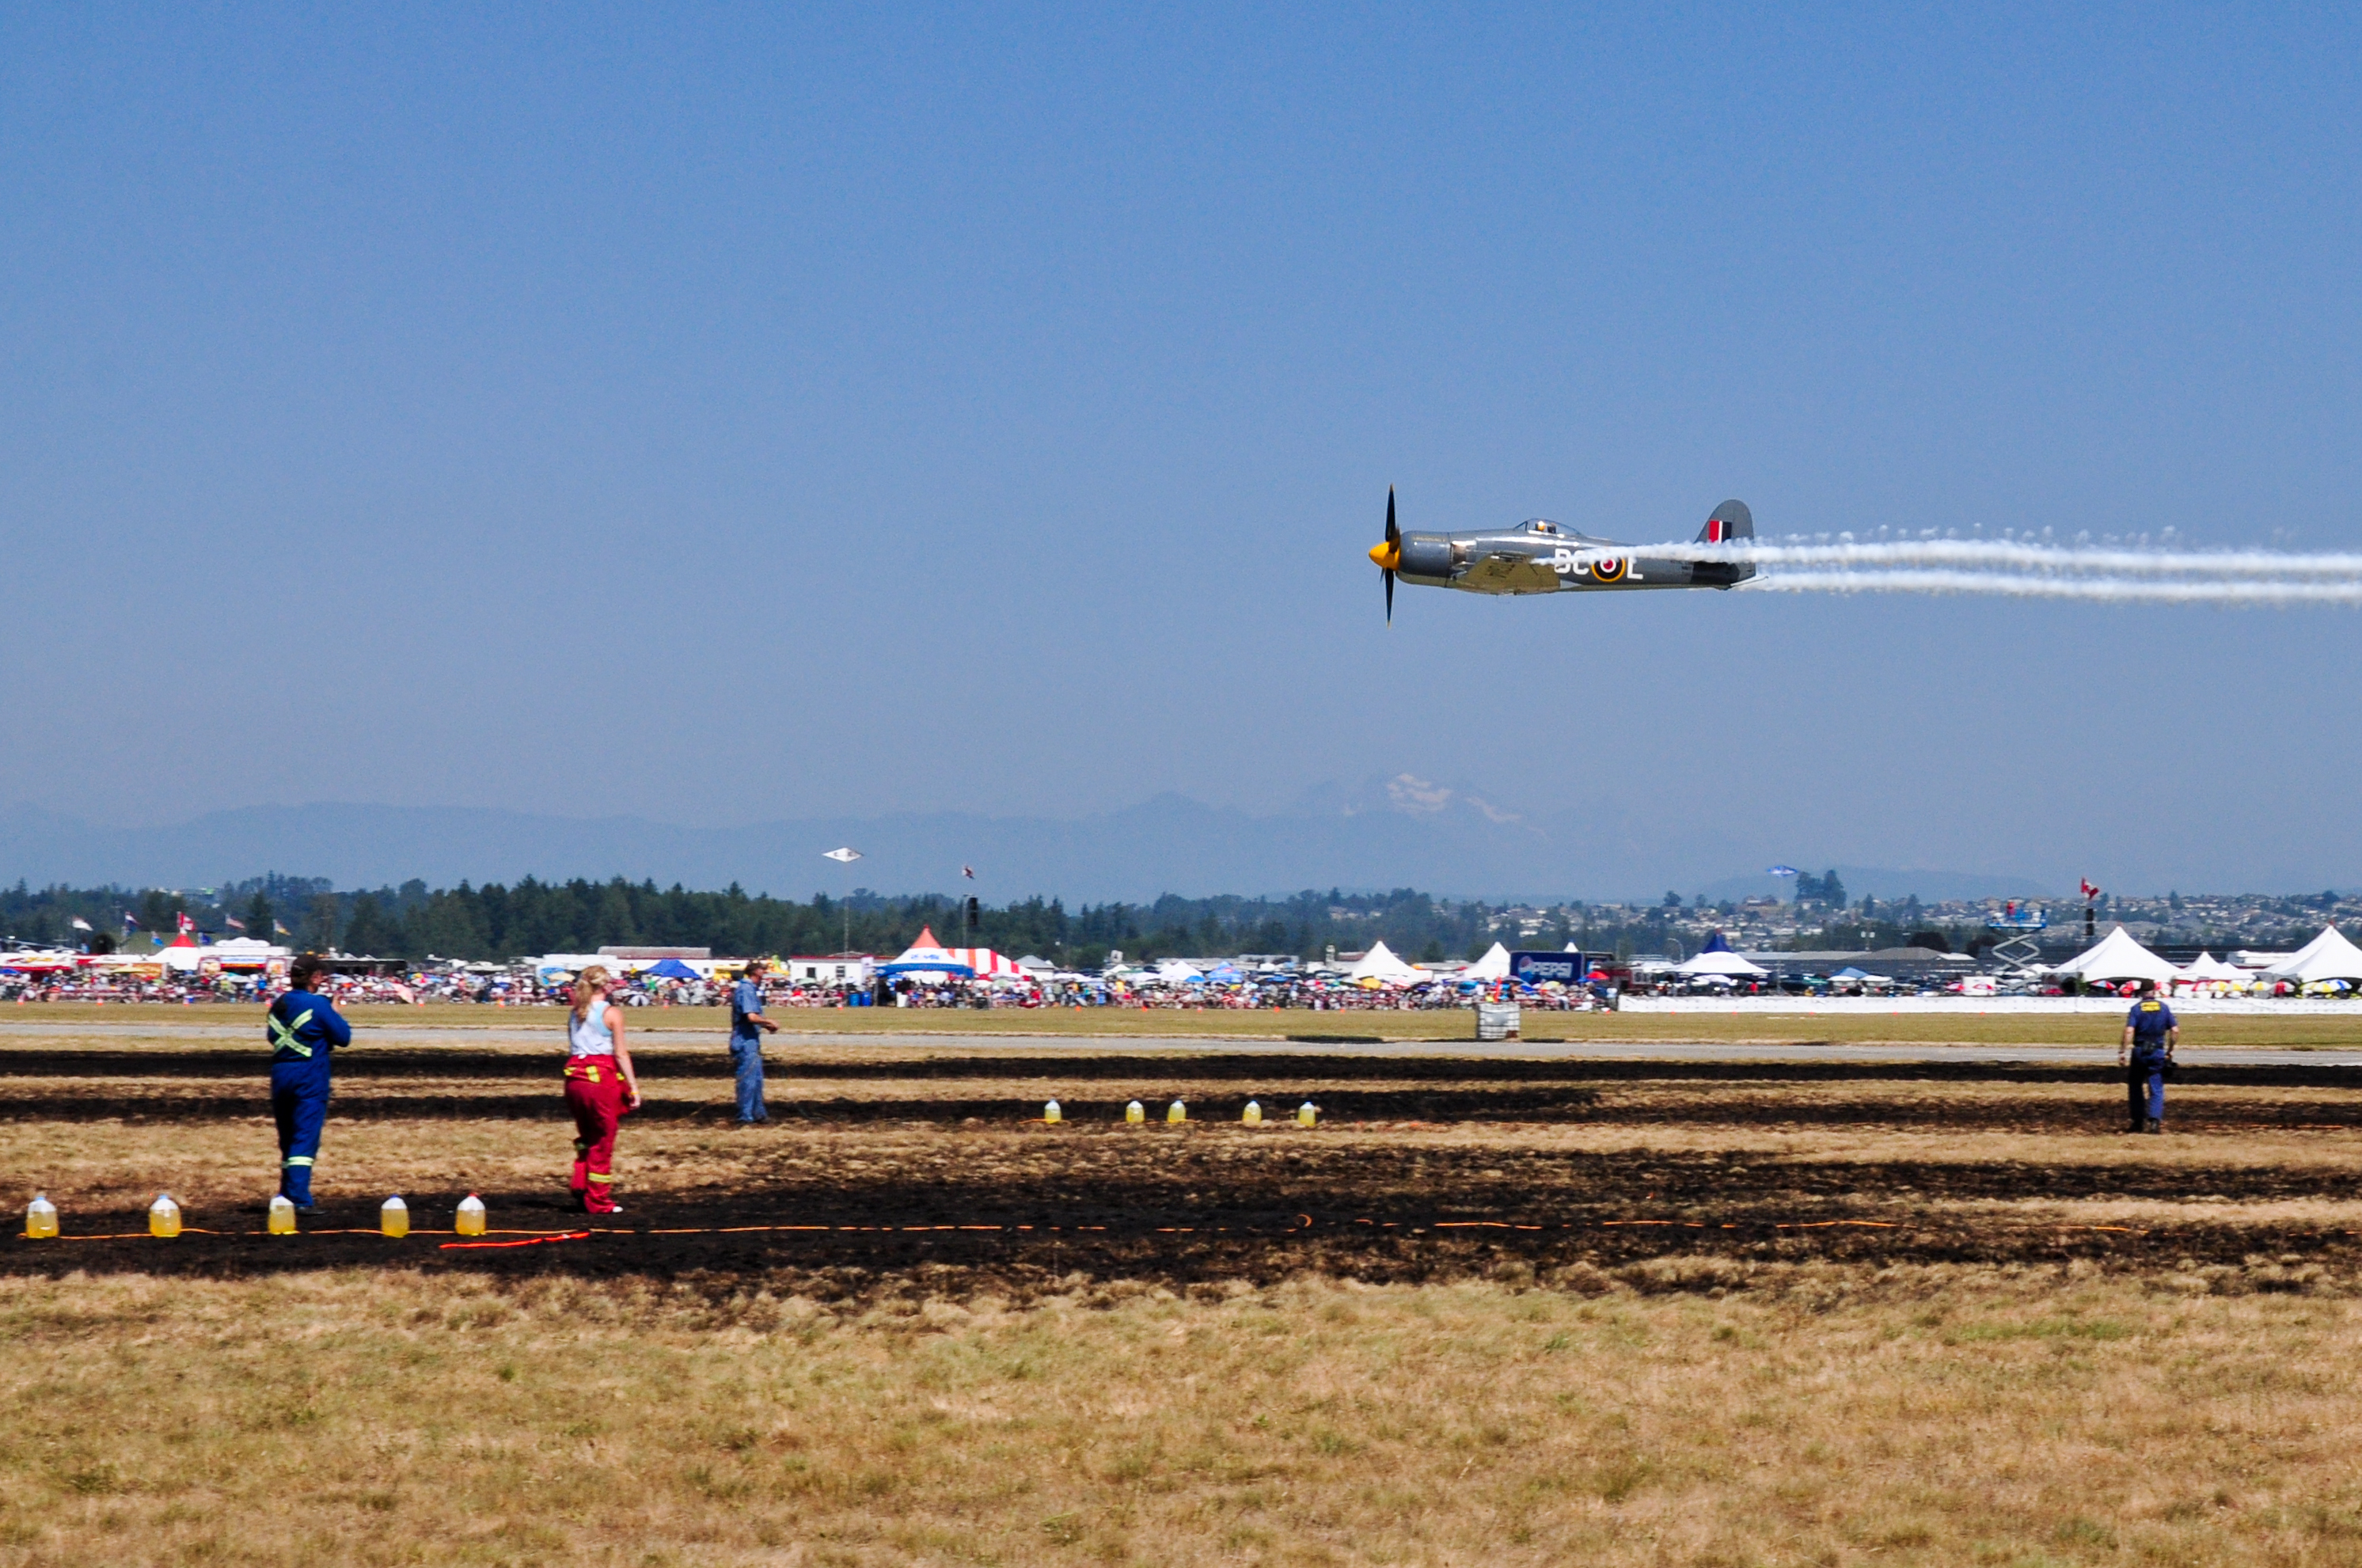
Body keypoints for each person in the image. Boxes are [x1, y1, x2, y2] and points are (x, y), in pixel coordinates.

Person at [266, 954, 354, 1213]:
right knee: (304, 1139)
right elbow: (344, 1037)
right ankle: (300, 1199)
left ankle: (285, 1193)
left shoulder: (278, 1004)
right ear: (315, 977)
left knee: (288, 1139)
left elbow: (274, 1037)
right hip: (310, 1077)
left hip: (281, 1075)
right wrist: (335, 1014)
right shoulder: (318, 1005)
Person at [564, 965, 640, 1214]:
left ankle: (581, 1184)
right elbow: (620, 1052)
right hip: (600, 1078)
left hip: (575, 1079)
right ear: (605, 985)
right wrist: (634, 1087)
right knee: (603, 1139)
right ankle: (598, 1200)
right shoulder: (611, 1013)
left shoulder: (576, 1013)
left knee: (587, 1136)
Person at [2120, 980, 2179, 1133]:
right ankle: (2154, 1121)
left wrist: (2122, 1051)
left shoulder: (2136, 1009)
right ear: (2154, 991)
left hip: (2140, 1051)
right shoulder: (2164, 1008)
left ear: (2141, 993)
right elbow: (2175, 1030)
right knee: (2156, 1086)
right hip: (2158, 1051)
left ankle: (2138, 1121)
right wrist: (2170, 1050)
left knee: (2135, 1085)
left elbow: (2129, 1031)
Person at [729, 959, 780, 1125]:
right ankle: (745, 1117)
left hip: (752, 1040)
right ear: (755, 972)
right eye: (763, 970)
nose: (765, 972)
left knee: (757, 1080)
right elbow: (751, 1016)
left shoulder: (750, 989)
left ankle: (759, 1114)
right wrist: (769, 1022)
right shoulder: (746, 989)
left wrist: (765, 1025)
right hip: (745, 1041)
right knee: (748, 1081)